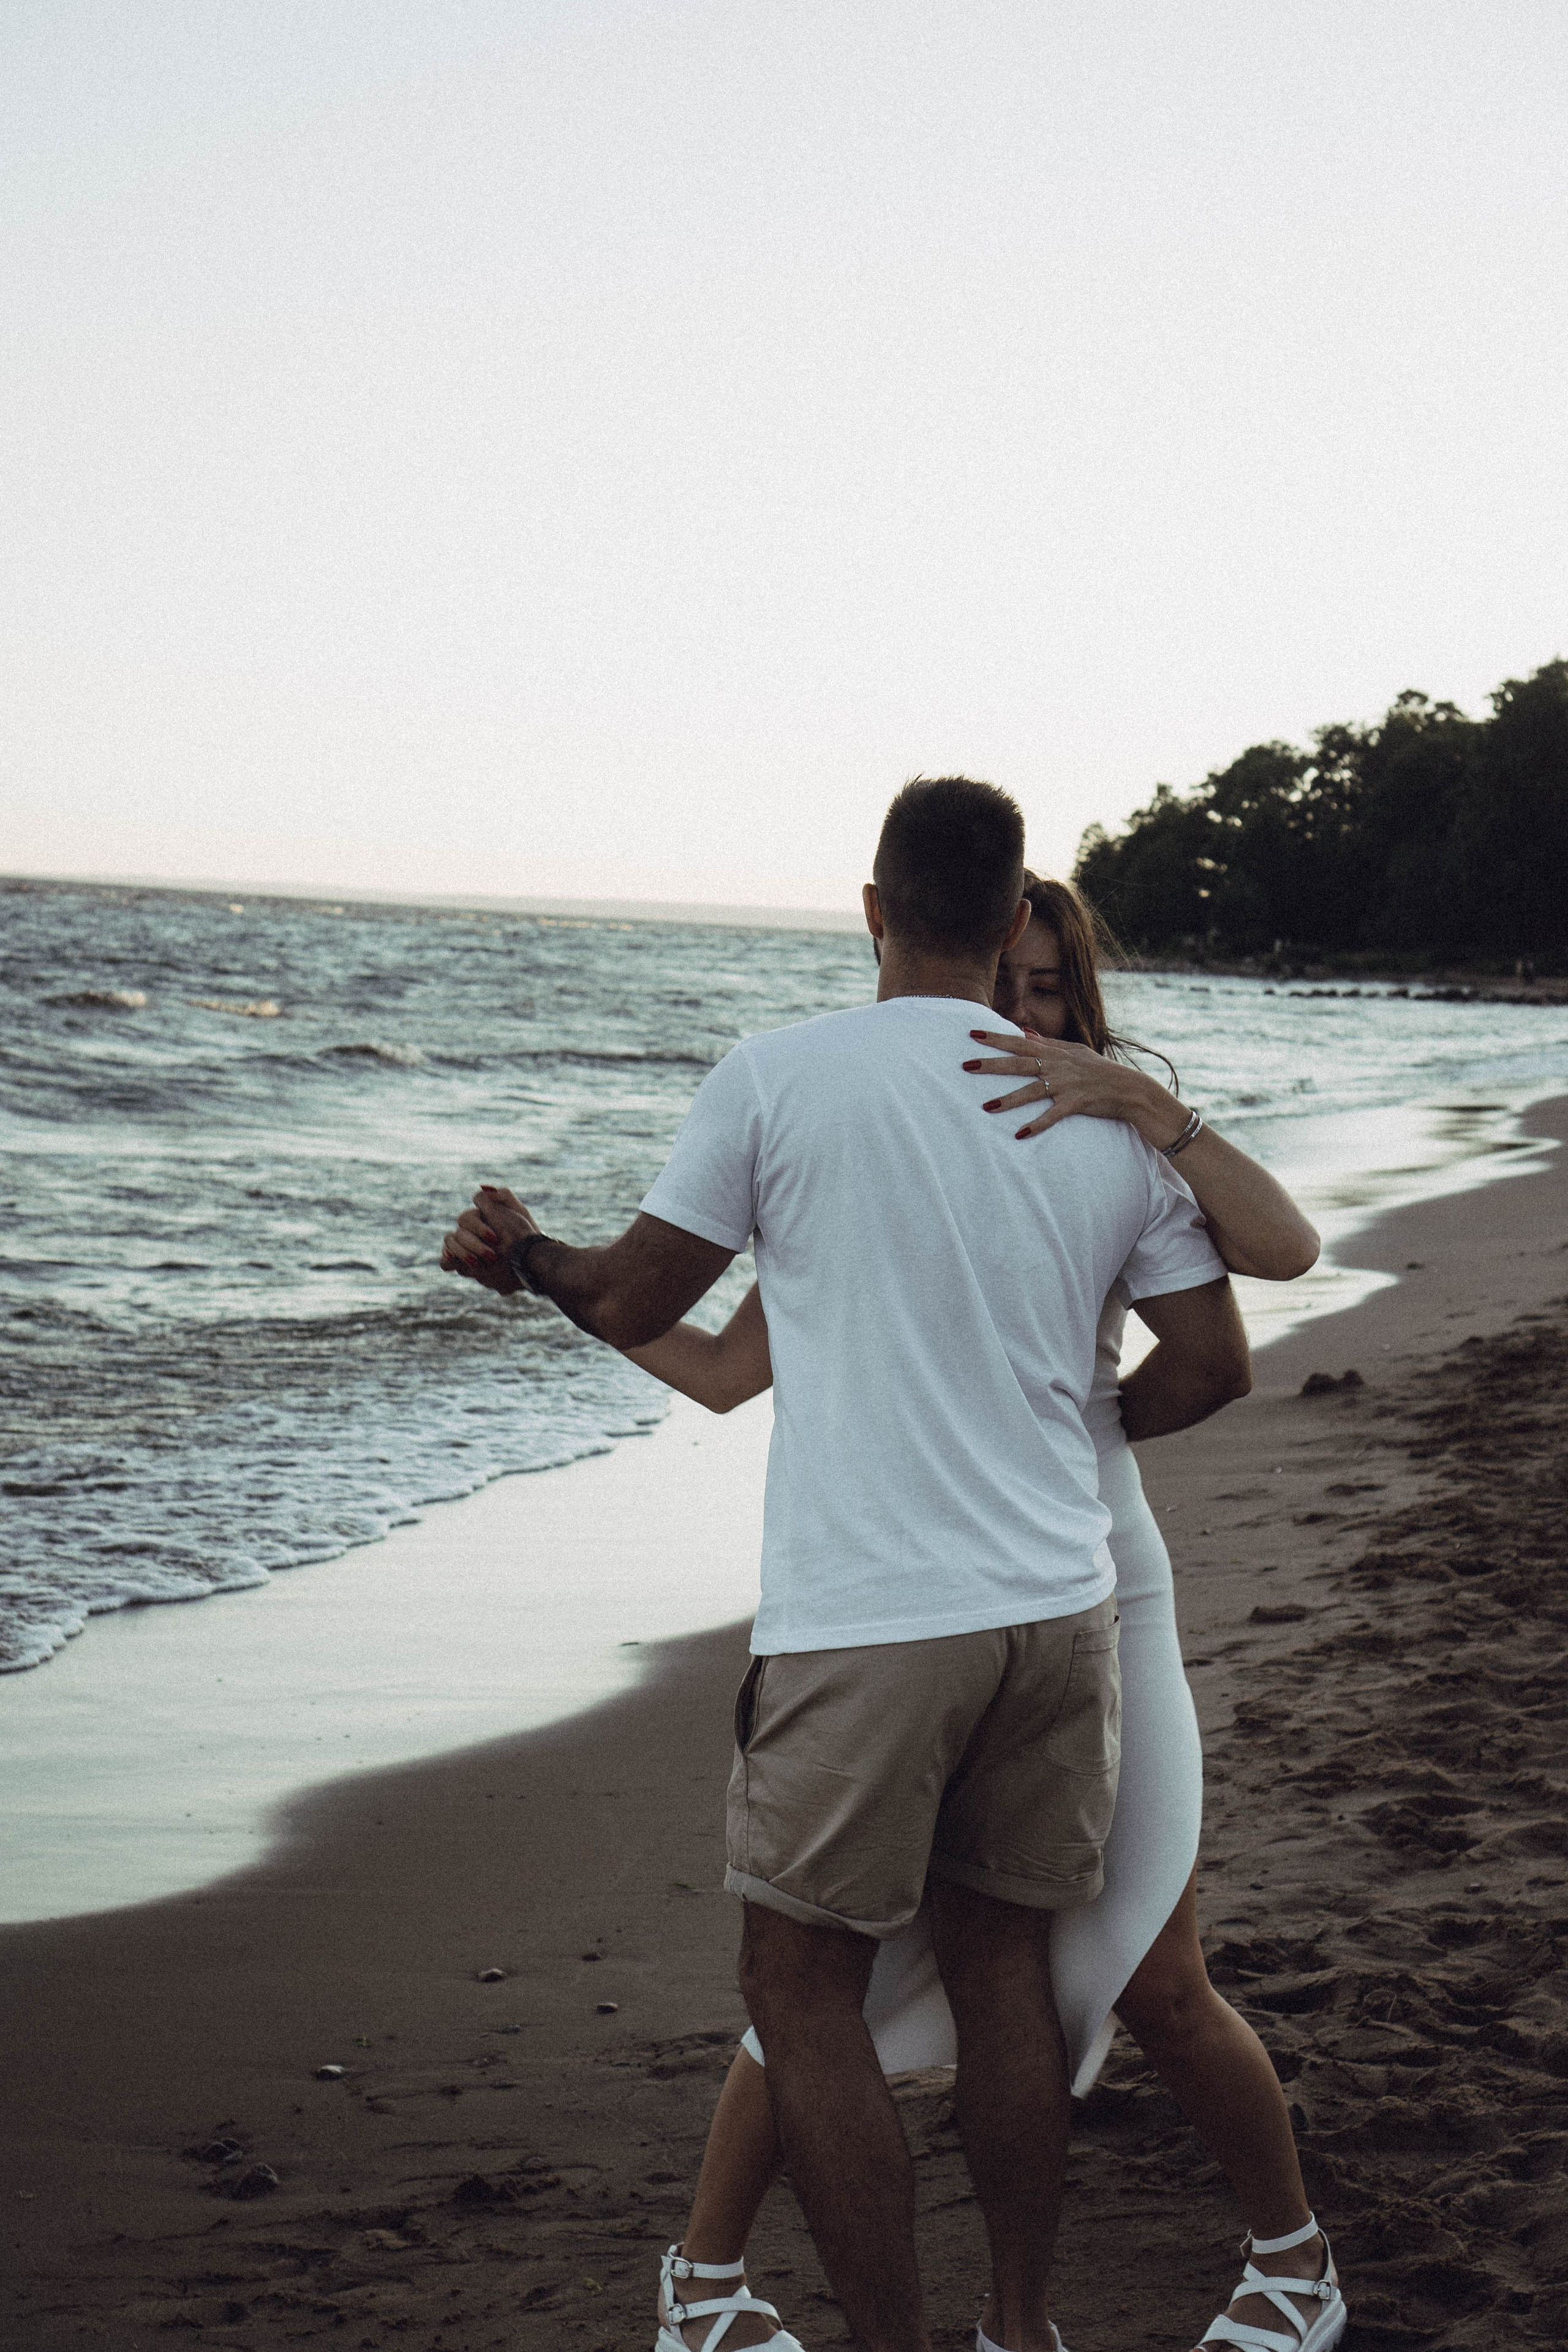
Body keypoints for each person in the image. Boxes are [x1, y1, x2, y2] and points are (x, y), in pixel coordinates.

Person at [441, 779, 1252, 2352]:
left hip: (869, 1623)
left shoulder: (778, 1079)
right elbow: (1214, 1361)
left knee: (800, 1991)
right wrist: (1058, 1448)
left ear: (868, 909)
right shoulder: (1087, 1104)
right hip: (1056, 1613)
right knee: (1001, 1971)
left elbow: (627, 1298)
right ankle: (1019, 2333)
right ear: (1013, 919)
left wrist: (527, 1254)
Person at [616, 875, 1348, 2352]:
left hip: (1086, 1591)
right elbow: (716, 1369)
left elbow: (1273, 1264)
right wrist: (554, 1283)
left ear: (1079, 1004)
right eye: (1004, 985)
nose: (1017, 1018)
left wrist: (1138, 1109)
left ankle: (1296, 2271)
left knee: (1149, 1974)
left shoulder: (1098, 1138)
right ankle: (699, 2283)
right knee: (831, 1980)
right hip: (954, 1615)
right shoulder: (890, 1164)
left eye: (1049, 992)